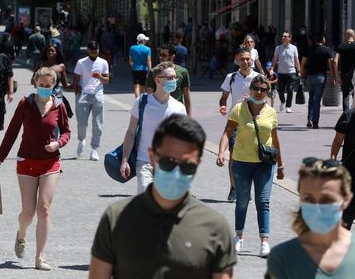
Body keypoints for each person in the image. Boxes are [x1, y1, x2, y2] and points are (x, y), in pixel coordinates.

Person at [90, 115, 237, 278]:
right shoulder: (117, 218)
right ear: (152, 157)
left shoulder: (215, 228)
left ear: (198, 165)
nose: (177, 171)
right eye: (169, 161)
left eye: (188, 166)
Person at [0, 67, 70, 271]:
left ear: (54, 85)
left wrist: (58, 144)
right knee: (28, 212)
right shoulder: (25, 104)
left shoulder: (59, 105)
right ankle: (21, 234)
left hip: (51, 162)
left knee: (44, 209)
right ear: (35, 83)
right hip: (26, 162)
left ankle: (40, 257)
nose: (44, 88)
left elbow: (67, 132)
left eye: (48, 85)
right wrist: (0, 159)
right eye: (41, 85)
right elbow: (12, 132)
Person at [217, 74, 284, 257]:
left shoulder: (271, 112)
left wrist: (280, 166)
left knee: (263, 202)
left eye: (263, 89)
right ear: (250, 89)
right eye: (256, 88)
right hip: (241, 163)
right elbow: (227, 132)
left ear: (267, 92)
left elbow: (276, 140)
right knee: (242, 202)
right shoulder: (239, 109)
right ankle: (239, 236)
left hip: (264, 164)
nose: (260, 92)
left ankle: (264, 242)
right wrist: (221, 152)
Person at [266, 158, 355, 279]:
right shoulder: (283, 258)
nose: (317, 208)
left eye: (327, 200)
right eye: (309, 199)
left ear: (346, 199)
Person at [120, 61, 187, 193]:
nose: (173, 80)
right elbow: (131, 132)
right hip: (144, 161)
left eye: (175, 77)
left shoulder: (179, 107)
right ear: (158, 80)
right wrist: (124, 160)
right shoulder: (142, 102)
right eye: (169, 78)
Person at [219, 47, 260, 202]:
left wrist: (253, 102)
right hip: (235, 122)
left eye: (248, 59)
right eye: (242, 59)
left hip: (253, 123)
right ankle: (234, 188)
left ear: (252, 60)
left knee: (251, 157)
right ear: (237, 60)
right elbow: (223, 98)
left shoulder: (258, 78)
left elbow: (265, 100)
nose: (245, 62)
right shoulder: (231, 77)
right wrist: (222, 106)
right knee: (234, 157)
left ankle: (246, 188)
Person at [73, 41, 110, 161]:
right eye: (92, 51)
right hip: (84, 94)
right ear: (88, 50)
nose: (94, 53)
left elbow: (106, 80)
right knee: (82, 123)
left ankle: (94, 149)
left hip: (98, 95)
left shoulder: (103, 63)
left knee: (98, 124)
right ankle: (81, 140)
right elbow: (76, 79)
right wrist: (77, 94)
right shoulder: (81, 62)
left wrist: (100, 77)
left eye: (96, 51)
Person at [145, 43, 192, 116]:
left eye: (164, 55)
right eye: (160, 54)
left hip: (177, 113)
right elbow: (149, 94)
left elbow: (187, 96)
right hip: (159, 112)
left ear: (172, 57)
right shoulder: (153, 72)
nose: (160, 57)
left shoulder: (183, 72)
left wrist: (189, 117)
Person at [301, 33, 334, 129]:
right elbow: (330, 65)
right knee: (317, 100)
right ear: (323, 40)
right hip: (321, 77)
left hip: (310, 77)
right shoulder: (327, 50)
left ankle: (309, 119)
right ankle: (315, 122)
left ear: (315, 40)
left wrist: (302, 74)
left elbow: (303, 63)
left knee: (311, 98)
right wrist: (332, 77)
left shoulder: (309, 49)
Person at [330, 108, 355, 229]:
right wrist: (332, 161)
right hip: (349, 176)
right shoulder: (348, 116)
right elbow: (337, 141)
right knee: (345, 219)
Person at [272, 31, 300, 113]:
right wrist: (271, 68)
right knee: (280, 90)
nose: (283, 38)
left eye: (285, 36)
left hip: (291, 72)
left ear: (289, 38)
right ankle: (283, 101)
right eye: (283, 36)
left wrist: (299, 71)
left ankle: (288, 106)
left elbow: (296, 60)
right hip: (281, 72)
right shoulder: (278, 48)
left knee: (290, 89)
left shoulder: (294, 48)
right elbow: (274, 59)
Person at [334, 29, 355, 111]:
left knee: (345, 96)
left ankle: (345, 118)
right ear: (353, 36)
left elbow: (335, 61)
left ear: (346, 36)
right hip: (354, 74)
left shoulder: (341, 46)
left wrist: (336, 76)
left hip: (345, 74)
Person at [128, 33, 152, 98]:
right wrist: (150, 70)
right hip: (144, 69)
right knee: (142, 86)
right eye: (145, 40)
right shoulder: (148, 49)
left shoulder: (132, 48)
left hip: (135, 69)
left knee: (136, 86)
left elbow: (130, 59)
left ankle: (137, 100)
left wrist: (132, 66)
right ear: (143, 40)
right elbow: (148, 60)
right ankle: (140, 100)